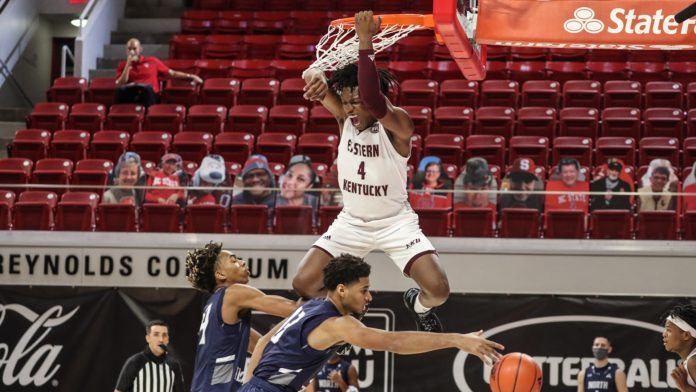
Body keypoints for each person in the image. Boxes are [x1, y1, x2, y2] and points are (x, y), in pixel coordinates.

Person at [295, 11, 449, 333]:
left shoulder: (398, 125)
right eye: (347, 102)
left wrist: (366, 43)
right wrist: (316, 75)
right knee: (304, 284)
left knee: (437, 291)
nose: (351, 108)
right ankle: (346, 318)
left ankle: (416, 306)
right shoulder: (344, 119)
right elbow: (310, 77)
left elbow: (375, 102)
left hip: (395, 223)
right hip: (352, 221)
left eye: (357, 102)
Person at [240, 254, 503, 392]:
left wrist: (251, 384)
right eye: (363, 289)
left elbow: (263, 341)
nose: (369, 296)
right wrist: (457, 340)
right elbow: (393, 341)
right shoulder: (337, 324)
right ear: (341, 290)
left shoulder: (309, 306)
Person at [186, 242, 299, 392]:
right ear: (220, 275)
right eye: (234, 261)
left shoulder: (215, 306)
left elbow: (262, 345)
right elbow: (294, 309)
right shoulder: (233, 293)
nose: (242, 262)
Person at [115, 38, 203, 107]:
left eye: (134, 48)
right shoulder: (123, 65)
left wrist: (191, 76)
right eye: (129, 49)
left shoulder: (152, 61)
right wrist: (128, 65)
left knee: (146, 89)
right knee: (120, 91)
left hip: (149, 93)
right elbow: (122, 82)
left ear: (140, 49)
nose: (132, 51)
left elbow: (172, 73)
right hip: (133, 93)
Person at [114, 320, 185, 392]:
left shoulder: (174, 365)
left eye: (164, 335)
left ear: (168, 339)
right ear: (148, 338)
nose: (161, 339)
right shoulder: (135, 362)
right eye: (156, 334)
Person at [275, 155, 320, 226]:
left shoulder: (316, 202)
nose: (290, 183)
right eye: (289, 175)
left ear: (309, 186)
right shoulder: (272, 201)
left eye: (300, 179)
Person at [497, 158, 544, 225]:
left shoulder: (539, 200)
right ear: (510, 181)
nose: (522, 187)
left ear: (534, 183)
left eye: (528, 180)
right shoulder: (503, 198)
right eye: (517, 179)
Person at [662, 304, 696, 392]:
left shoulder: (694, 361)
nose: (664, 334)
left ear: (686, 335)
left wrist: (684, 387)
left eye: (668, 330)